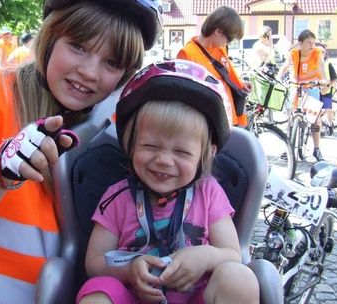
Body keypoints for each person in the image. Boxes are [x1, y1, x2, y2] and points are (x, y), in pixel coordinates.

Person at [0, 0, 161, 303]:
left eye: (112, 63)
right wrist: (0, 173)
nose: (89, 72)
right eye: (78, 46)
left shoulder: (114, 127)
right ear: (50, 38)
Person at [76, 59, 259, 304]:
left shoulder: (209, 193)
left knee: (238, 277)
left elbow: (232, 254)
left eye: (182, 153)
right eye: (150, 146)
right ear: (131, 144)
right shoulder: (117, 196)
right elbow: (95, 262)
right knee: (97, 292)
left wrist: (204, 256)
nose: (163, 160)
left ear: (207, 155)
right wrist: (129, 269)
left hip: (195, 296)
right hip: (133, 296)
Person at [176, 6, 250, 126]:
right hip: (209, 125)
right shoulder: (187, 54)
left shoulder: (220, 49)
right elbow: (185, 99)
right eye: (229, 38)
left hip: (229, 121)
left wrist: (240, 85)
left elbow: (226, 77)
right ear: (218, 31)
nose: (229, 43)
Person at [277, 29, 328, 161]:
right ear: (300, 43)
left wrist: (323, 81)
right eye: (308, 42)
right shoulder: (294, 53)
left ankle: (317, 149)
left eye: (313, 42)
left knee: (315, 119)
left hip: (312, 86)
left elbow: (321, 69)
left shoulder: (317, 53)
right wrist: (278, 78)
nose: (312, 45)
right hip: (296, 85)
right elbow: (285, 66)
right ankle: (287, 148)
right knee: (290, 117)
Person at [316, 43, 337, 136]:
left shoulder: (328, 64)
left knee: (328, 110)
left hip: (326, 91)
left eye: (323, 52)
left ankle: (330, 123)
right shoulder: (312, 64)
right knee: (317, 111)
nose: (321, 54)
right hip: (316, 91)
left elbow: (334, 79)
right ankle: (319, 131)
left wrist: (327, 87)